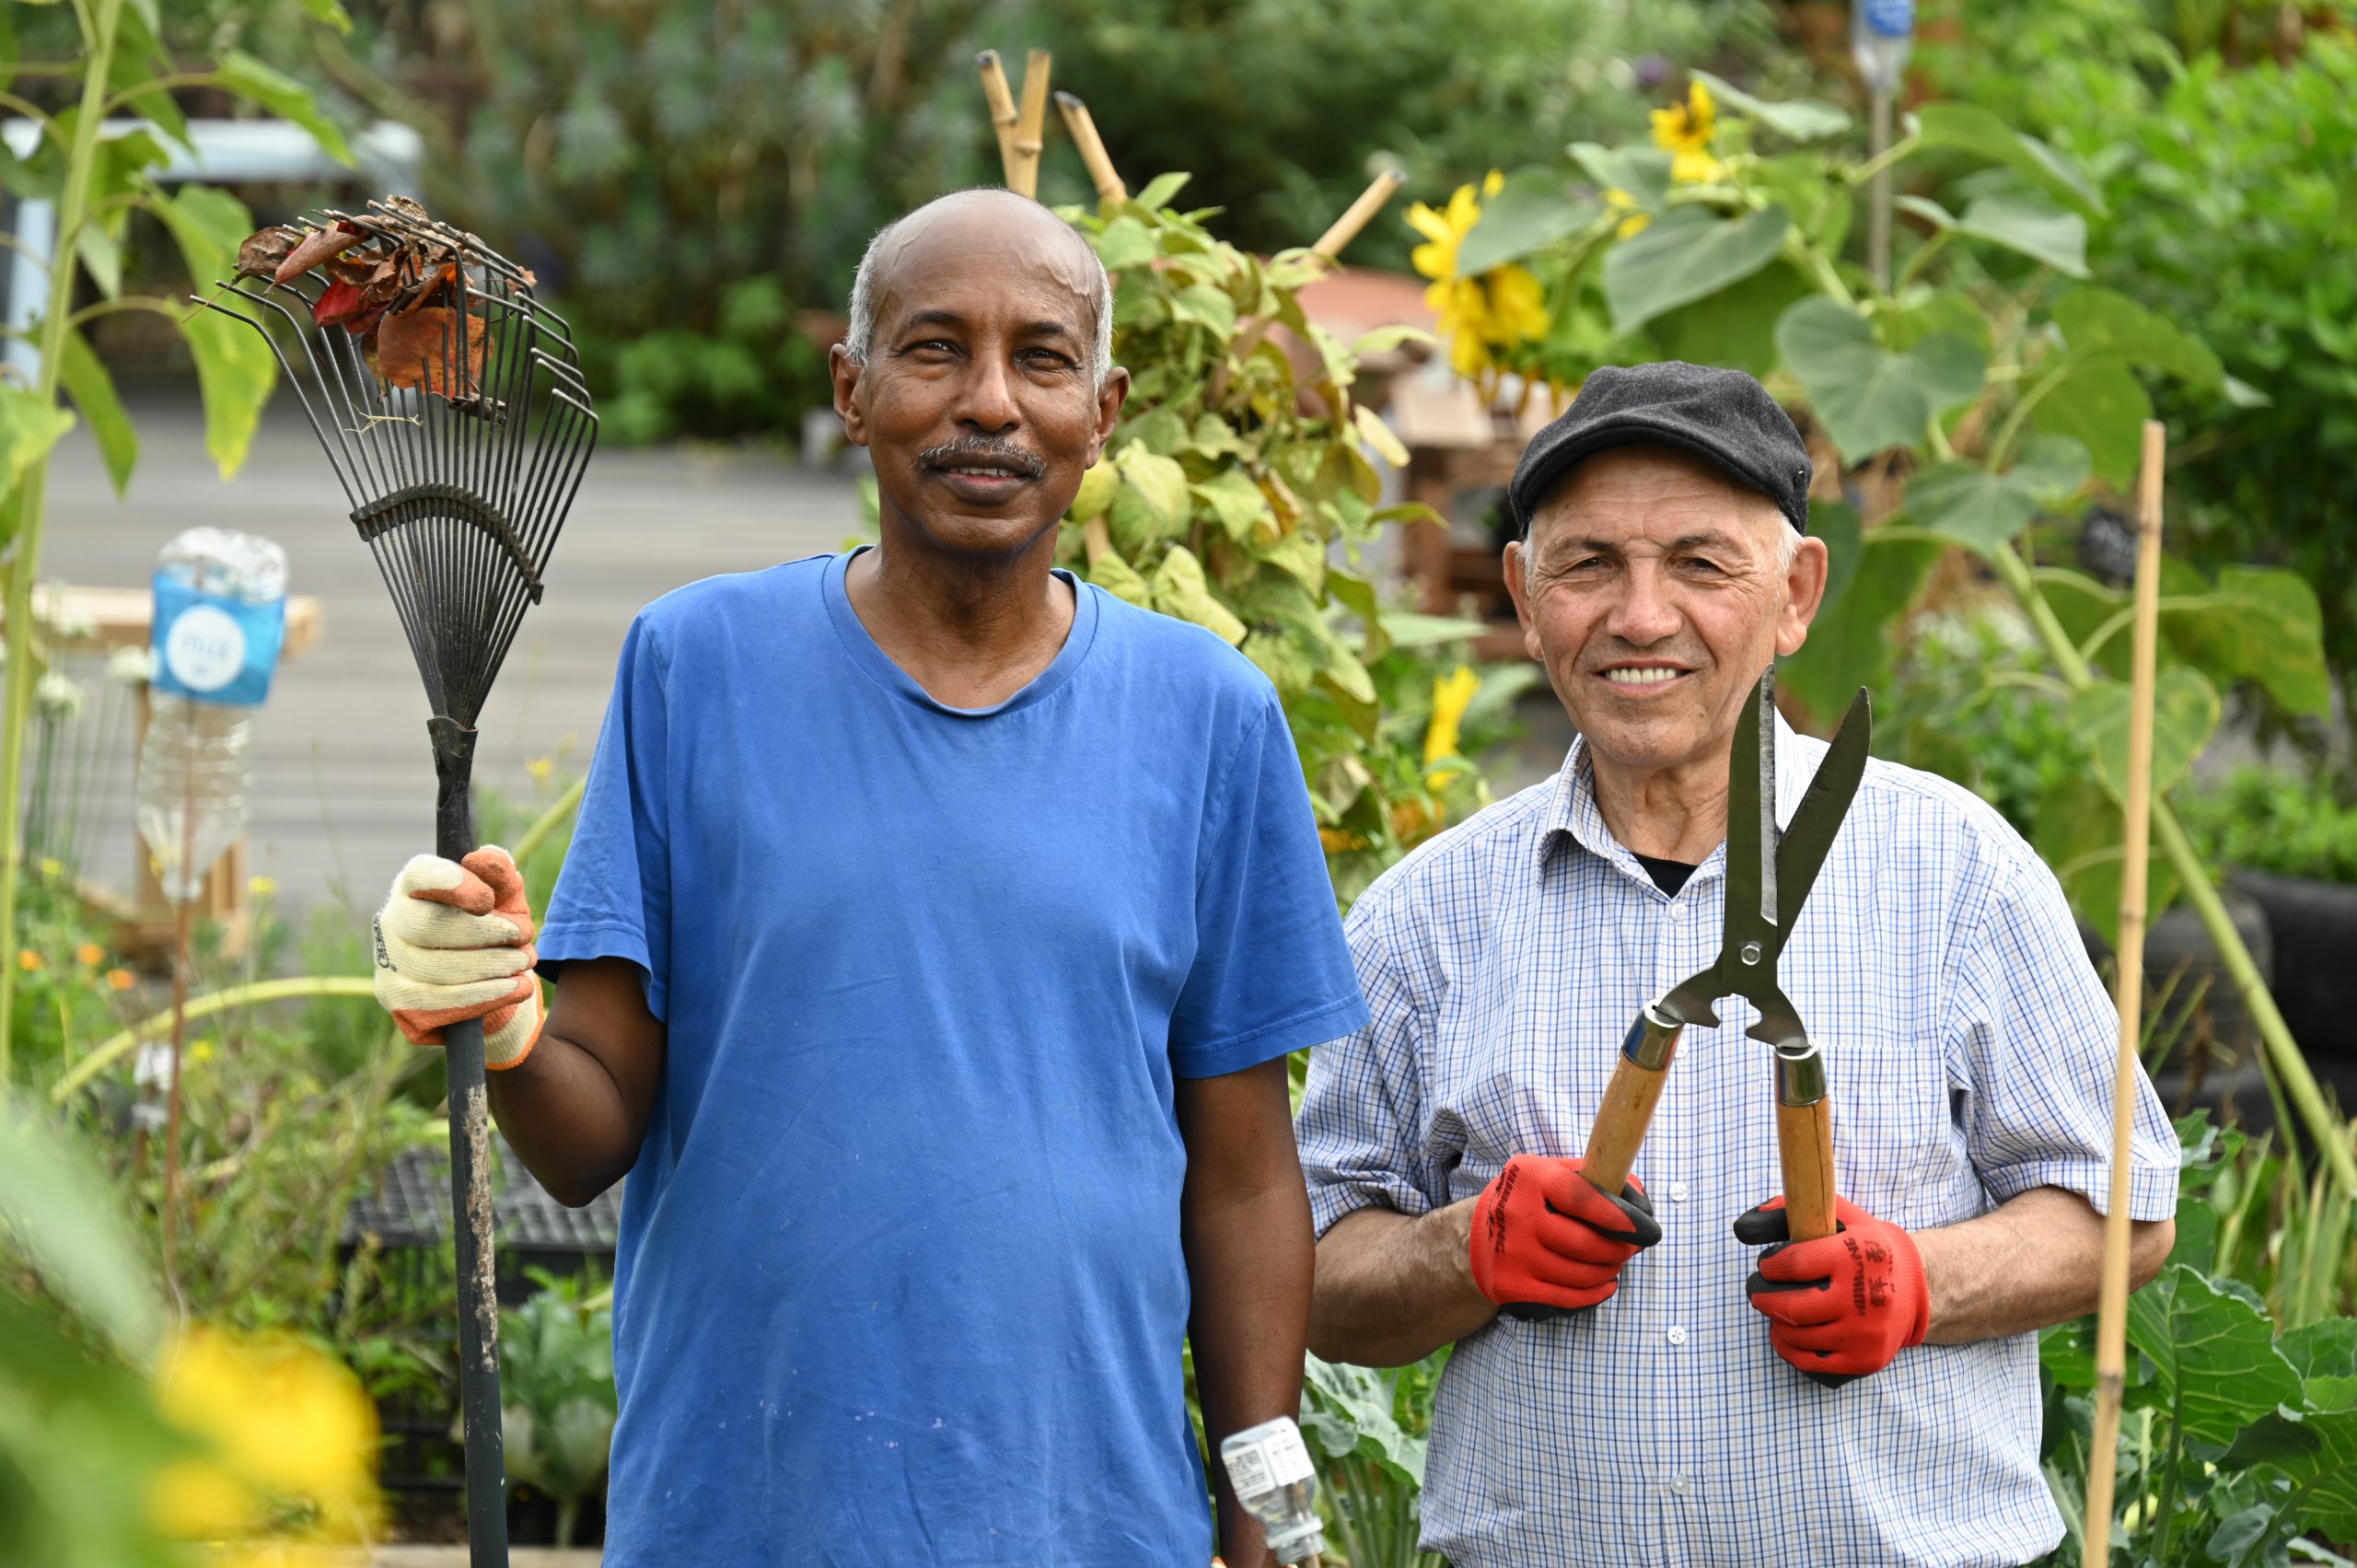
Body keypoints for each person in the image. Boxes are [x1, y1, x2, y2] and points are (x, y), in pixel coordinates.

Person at [367, 188, 1368, 1568]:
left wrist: (1266, 1517)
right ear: (852, 389)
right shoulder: (697, 669)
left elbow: (1246, 1182)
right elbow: (587, 1143)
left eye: (1042, 359)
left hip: (1082, 1520)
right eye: (936, 348)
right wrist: (501, 1022)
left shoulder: (1207, 715)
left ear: (1103, 413)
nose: (991, 402)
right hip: (743, 1516)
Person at [1295, 361, 2177, 1568]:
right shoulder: (1425, 915)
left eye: (1701, 564)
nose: (1640, 617)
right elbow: (1316, 1273)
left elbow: (2121, 1212)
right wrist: (1461, 1253)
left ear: (1796, 593)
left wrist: (1920, 1281)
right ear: (1524, 595)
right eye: (1587, 564)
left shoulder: (1958, 870)